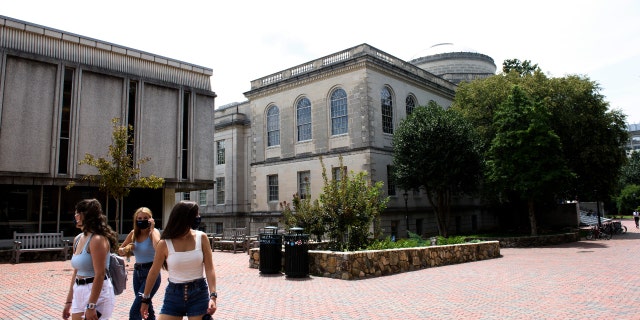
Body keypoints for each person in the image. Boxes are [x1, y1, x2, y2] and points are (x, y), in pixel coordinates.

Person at [140, 201, 217, 320]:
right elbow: (154, 271)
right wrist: (145, 299)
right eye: (196, 215)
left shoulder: (202, 237)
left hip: (198, 294)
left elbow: (210, 268)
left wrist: (213, 296)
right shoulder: (164, 243)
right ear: (185, 217)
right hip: (173, 295)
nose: (198, 218)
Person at [63, 199, 118, 320]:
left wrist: (91, 305)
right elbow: (76, 272)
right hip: (79, 289)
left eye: (78, 213)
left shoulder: (97, 239)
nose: (75, 216)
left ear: (85, 215)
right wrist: (68, 302)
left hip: (97, 291)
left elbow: (100, 273)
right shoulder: (77, 239)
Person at [118, 207, 162, 320]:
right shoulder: (134, 233)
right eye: (139, 218)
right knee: (147, 307)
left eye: (145, 218)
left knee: (135, 310)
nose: (142, 220)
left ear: (150, 219)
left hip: (151, 272)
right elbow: (120, 250)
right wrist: (126, 249)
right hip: (137, 273)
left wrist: (152, 229)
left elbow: (159, 248)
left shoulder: (154, 232)